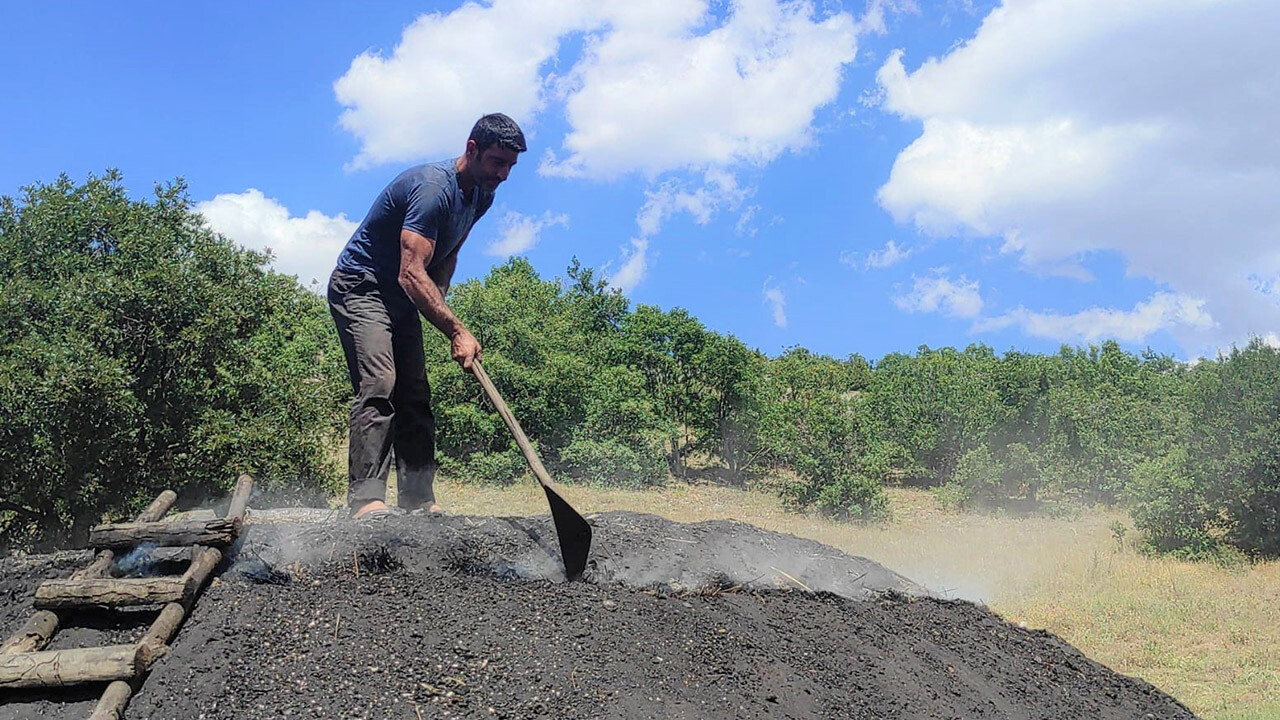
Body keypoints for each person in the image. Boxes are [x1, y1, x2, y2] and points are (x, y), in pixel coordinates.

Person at [328, 113, 525, 519]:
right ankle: (367, 501)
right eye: (496, 163)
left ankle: (417, 499)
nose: (503, 174)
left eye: (510, 166)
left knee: (415, 392)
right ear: (471, 149)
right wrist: (456, 328)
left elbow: (447, 255)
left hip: (402, 295)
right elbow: (409, 270)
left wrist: (441, 310)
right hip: (361, 285)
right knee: (381, 381)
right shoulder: (433, 188)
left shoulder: (481, 195)